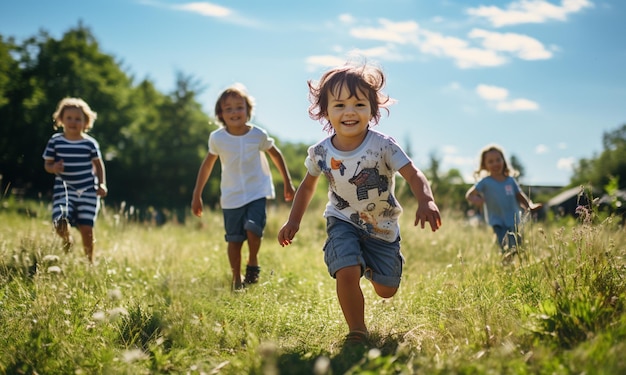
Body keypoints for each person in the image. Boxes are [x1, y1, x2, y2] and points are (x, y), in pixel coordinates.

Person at [277, 62, 442, 345]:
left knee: (386, 290)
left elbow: (413, 173)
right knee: (347, 269)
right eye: (339, 105)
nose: (349, 111)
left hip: (382, 227)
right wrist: (293, 221)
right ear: (325, 111)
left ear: (372, 110)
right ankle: (357, 331)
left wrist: (426, 199)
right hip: (342, 220)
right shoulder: (320, 152)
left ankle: (372, 263)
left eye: (359, 104)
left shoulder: (383, 146)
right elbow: (307, 187)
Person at [192, 83, 295, 290]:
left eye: (239, 107)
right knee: (234, 240)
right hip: (231, 196)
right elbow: (207, 165)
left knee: (253, 228)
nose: (234, 112)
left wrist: (288, 182)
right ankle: (236, 279)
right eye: (228, 109)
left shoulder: (257, 135)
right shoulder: (217, 138)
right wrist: (197, 194)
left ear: (248, 110)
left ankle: (253, 261)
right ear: (220, 114)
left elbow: (275, 154)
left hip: (257, 191)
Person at [42, 97, 108, 263]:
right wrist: (53, 168)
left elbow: (99, 166)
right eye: (69, 118)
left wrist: (101, 184)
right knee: (60, 221)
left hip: (88, 191)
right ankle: (67, 239)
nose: (73, 122)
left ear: (86, 122)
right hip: (64, 190)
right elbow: (47, 164)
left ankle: (89, 261)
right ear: (61, 120)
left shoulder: (90, 144)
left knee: (87, 229)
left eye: (78, 119)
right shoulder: (55, 141)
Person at [465, 144, 542, 263]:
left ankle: (517, 267)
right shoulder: (485, 182)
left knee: (517, 246)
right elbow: (469, 194)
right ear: (485, 165)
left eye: (498, 160)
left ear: (503, 161)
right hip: (497, 220)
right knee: (505, 245)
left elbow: (519, 195)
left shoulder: (510, 181)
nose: (495, 164)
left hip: (514, 219)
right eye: (490, 161)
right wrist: (477, 200)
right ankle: (506, 266)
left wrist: (529, 205)